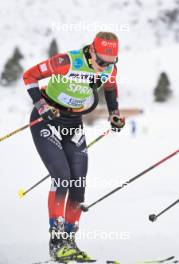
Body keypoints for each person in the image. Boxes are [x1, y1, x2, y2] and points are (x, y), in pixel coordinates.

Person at [23, 31, 125, 262]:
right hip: (47, 120)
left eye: (111, 62)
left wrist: (114, 113)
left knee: (78, 184)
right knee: (62, 177)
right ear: (92, 50)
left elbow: (110, 87)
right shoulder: (66, 62)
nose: (104, 67)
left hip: (73, 123)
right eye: (101, 62)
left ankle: (70, 243)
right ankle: (56, 243)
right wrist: (41, 106)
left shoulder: (109, 68)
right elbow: (29, 76)